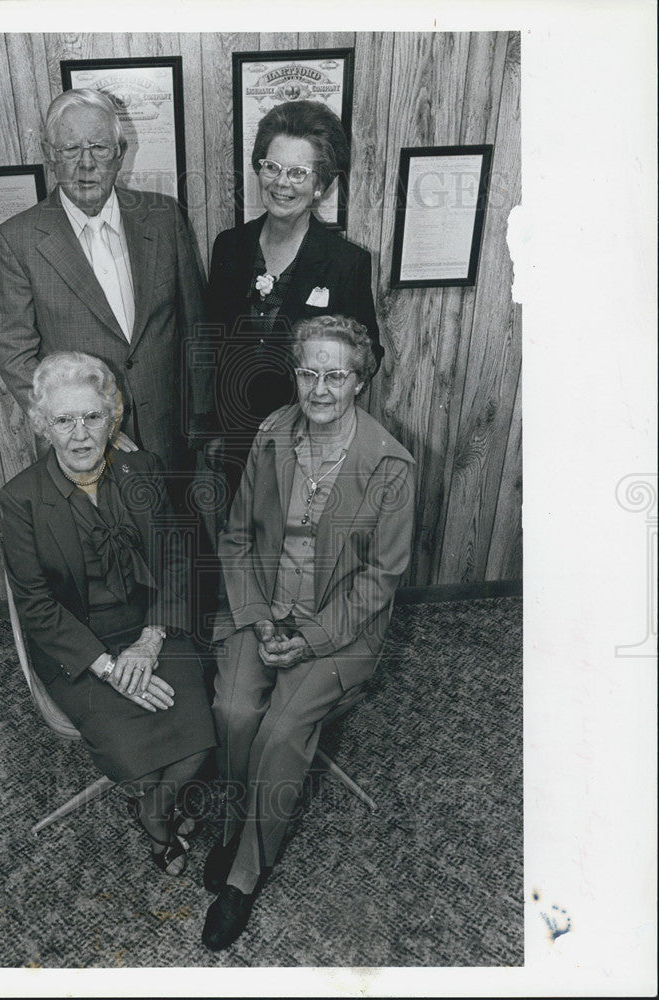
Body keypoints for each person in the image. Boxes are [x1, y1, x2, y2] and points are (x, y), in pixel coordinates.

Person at [201, 315, 415, 950]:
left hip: (339, 627)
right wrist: (260, 616)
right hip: (262, 608)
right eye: (308, 372)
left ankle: (245, 870)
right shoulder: (272, 435)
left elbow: (382, 576)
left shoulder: (389, 464)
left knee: (281, 729)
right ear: (295, 374)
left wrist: (312, 636)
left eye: (335, 375)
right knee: (233, 707)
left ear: (359, 381)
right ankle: (236, 818)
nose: (319, 388)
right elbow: (238, 536)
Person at [0, 352, 216, 875]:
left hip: (151, 626)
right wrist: (109, 668)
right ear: (42, 426)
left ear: (112, 419)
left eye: (92, 417)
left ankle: (153, 810)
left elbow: (176, 560)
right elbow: (36, 606)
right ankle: (159, 817)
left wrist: (149, 640)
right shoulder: (20, 499)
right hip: (77, 645)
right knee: (127, 747)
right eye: (63, 420)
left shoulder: (144, 469)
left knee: (201, 736)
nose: (79, 434)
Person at [0, 88, 215, 479]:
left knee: (176, 533)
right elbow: (14, 353)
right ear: (49, 155)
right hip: (85, 447)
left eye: (98, 147)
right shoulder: (17, 239)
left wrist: (201, 416)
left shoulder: (164, 218)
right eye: (70, 149)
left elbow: (196, 325)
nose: (86, 164)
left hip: (172, 430)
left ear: (120, 151)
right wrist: (82, 426)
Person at [206, 100, 384, 502]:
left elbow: (368, 356)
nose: (281, 183)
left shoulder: (346, 263)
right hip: (237, 442)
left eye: (298, 172)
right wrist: (214, 429)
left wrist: (316, 411)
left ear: (321, 185)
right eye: (272, 167)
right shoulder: (229, 248)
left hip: (311, 446)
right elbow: (211, 344)